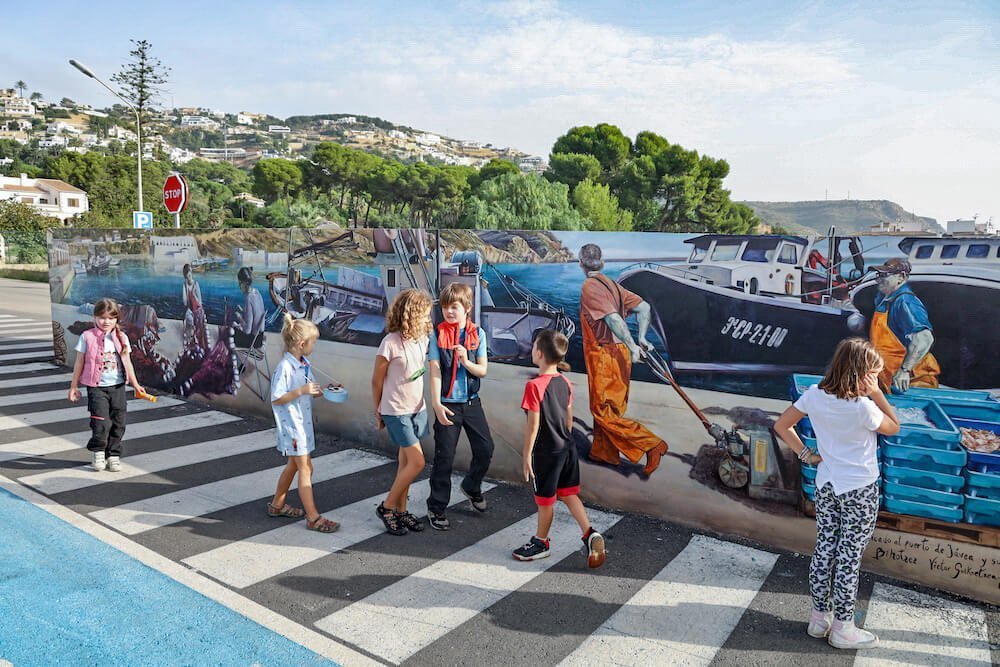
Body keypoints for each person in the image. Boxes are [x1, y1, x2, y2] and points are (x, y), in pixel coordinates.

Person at [773, 338, 900, 650]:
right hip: (860, 489)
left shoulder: (815, 395)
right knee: (848, 557)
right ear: (861, 374)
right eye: (876, 374)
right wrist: (879, 395)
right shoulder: (865, 409)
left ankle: (819, 618)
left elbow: (782, 425)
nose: (879, 379)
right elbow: (894, 426)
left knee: (825, 548)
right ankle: (843, 626)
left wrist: (806, 454)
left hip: (827, 484)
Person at [513, 329, 606, 569]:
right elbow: (568, 421)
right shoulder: (565, 382)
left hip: (546, 452)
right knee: (567, 493)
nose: (532, 348)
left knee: (545, 501)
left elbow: (533, 426)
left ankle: (541, 543)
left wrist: (526, 456)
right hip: (567, 448)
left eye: (534, 345)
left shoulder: (534, 386)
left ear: (540, 353)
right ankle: (590, 533)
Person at [577, 243, 668, 475]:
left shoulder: (590, 286)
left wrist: (633, 345)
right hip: (620, 356)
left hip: (604, 353)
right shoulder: (613, 286)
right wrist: (642, 338)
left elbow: (613, 319)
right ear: (602, 263)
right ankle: (603, 453)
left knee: (602, 411)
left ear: (581, 264)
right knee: (612, 407)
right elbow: (645, 308)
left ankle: (651, 443)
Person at [426, 283, 495, 531]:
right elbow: (434, 370)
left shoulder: (479, 334)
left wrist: (465, 360)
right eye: (445, 307)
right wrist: (436, 404)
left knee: (486, 448)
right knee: (444, 458)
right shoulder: (437, 334)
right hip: (448, 404)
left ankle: (471, 486)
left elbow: (483, 370)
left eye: (454, 306)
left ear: (466, 308)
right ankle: (436, 507)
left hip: (471, 403)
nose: (449, 312)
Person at [268, 313, 339, 532]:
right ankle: (313, 517)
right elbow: (276, 396)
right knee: (305, 468)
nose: (314, 346)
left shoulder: (304, 364)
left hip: (302, 425)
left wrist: (327, 390)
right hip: (293, 427)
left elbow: (311, 390)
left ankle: (277, 504)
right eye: (313, 342)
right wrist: (301, 391)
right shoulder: (285, 367)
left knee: (294, 466)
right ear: (301, 344)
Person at [372, 288, 433, 536]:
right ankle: (387, 507)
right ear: (413, 314)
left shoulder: (422, 339)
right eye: (426, 315)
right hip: (395, 410)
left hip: (417, 408)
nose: (429, 319)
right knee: (417, 461)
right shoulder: (389, 344)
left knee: (405, 461)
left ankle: (401, 509)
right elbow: (376, 381)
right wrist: (378, 410)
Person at [67, 298, 145, 472]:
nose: (106, 322)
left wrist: (136, 385)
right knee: (100, 423)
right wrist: (74, 387)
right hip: (96, 388)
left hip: (118, 387)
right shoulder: (87, 337)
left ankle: (114, 455)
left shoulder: (121, 337)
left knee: (119, 422)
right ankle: (98, 452)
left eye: (111, 318)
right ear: (95, 317)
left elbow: (128, 363)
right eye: (102, 317)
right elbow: (79, 363)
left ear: (117, 319)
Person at [869, 258, 939, 392]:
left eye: (884, 275)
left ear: (901, 277)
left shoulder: (906, 302)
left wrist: (905, 370)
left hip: (911, 384)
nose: (878, 280)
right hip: (890, 381)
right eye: (878, 275)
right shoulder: (884, 299)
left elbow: (924, 339)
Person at [234, 266, 265, 349]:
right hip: (260, 337)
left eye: (240, 283)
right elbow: (255, 314)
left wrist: (239, 317)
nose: (239, 286)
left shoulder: (248, 299)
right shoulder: (257, 292)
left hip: (253, 342)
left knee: (231, 330)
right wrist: (243, 310)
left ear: (244, 283)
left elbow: (247, 330)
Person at [182, 263, 209, 352]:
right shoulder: (184, 285)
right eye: (187, 275)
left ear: (191, 273)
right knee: (188, 318)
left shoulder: (196, 284)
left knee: (198, 323)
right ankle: (189, 339)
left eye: (189, 274)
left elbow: (200, 302)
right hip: (190, 309)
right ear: (185, 276)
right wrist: (186, 290)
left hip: (198, 309)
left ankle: (197, 340)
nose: (189, 277)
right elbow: (185, 302)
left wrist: (193, 294)